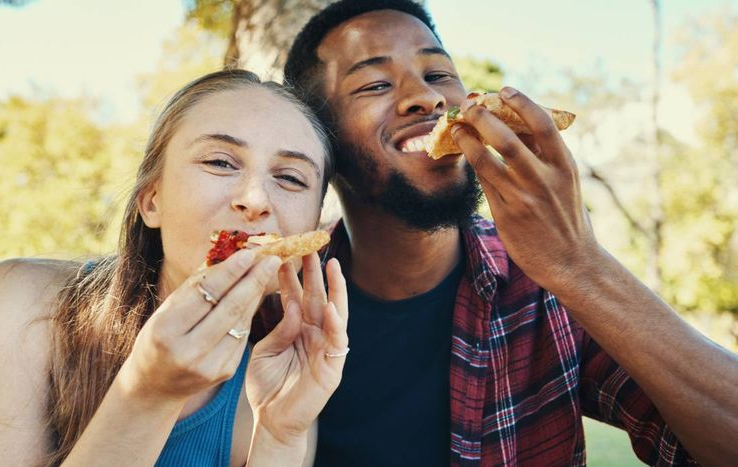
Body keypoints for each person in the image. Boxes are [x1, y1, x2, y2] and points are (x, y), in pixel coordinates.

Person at [250, 1, 738, 465]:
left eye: (439, 75)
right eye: (376, 84)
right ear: (320, 140)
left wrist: (581, 265)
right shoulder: (270, 303)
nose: (429, 97)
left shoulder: (550, 285)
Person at [0, 69, 349, 466]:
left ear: (311, 228)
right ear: (151, 200)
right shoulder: (19, 303)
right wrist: (148, 393)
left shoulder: (273, 389)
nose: (256, 198)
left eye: (292, 178)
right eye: (221, 163)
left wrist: (280, 437)